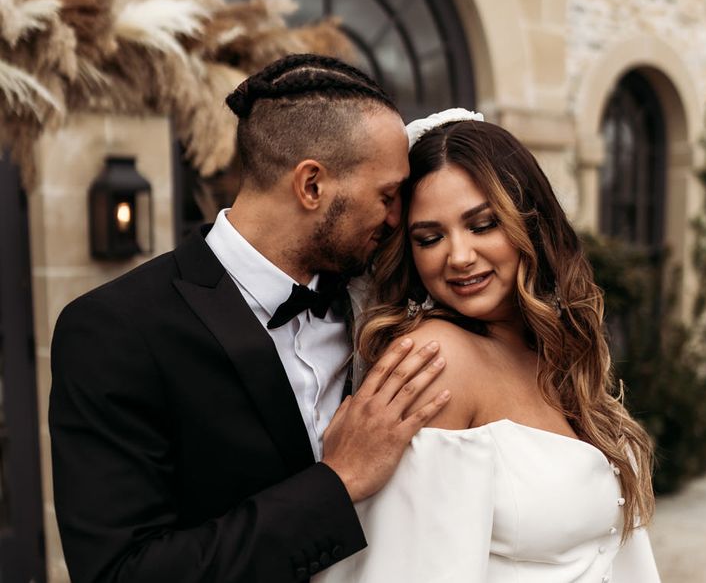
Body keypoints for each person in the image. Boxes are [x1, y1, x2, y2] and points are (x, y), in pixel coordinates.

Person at [48, 54, 451, 583]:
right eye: (387, 196)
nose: (398, 218)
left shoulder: (375, 298)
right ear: (312, 186)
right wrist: (338, 480)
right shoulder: (113, 331)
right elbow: (122, 573)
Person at [317, 109, 660, 582]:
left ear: (530, 223)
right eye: (430, 237)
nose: (458, 257)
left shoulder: (552, 349)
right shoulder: (433, 362)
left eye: (482, 225)